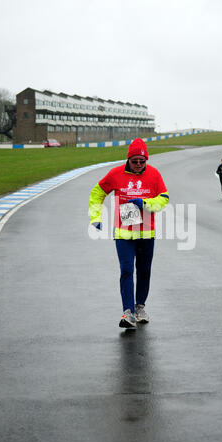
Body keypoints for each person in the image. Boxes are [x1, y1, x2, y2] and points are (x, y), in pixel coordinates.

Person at [89, 138, 169, 329]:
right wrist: (95, 216)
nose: (139, 165)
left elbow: (164, 199)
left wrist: (146, 204)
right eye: (135, 161)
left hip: (146, 233)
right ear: (128, 160)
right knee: (126, 271)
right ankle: (127, 313)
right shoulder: (116, 174)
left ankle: (140, 307)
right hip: (124, 235)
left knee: (144, 272)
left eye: (142, 161)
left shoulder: (154, 174)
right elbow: (97, 193)